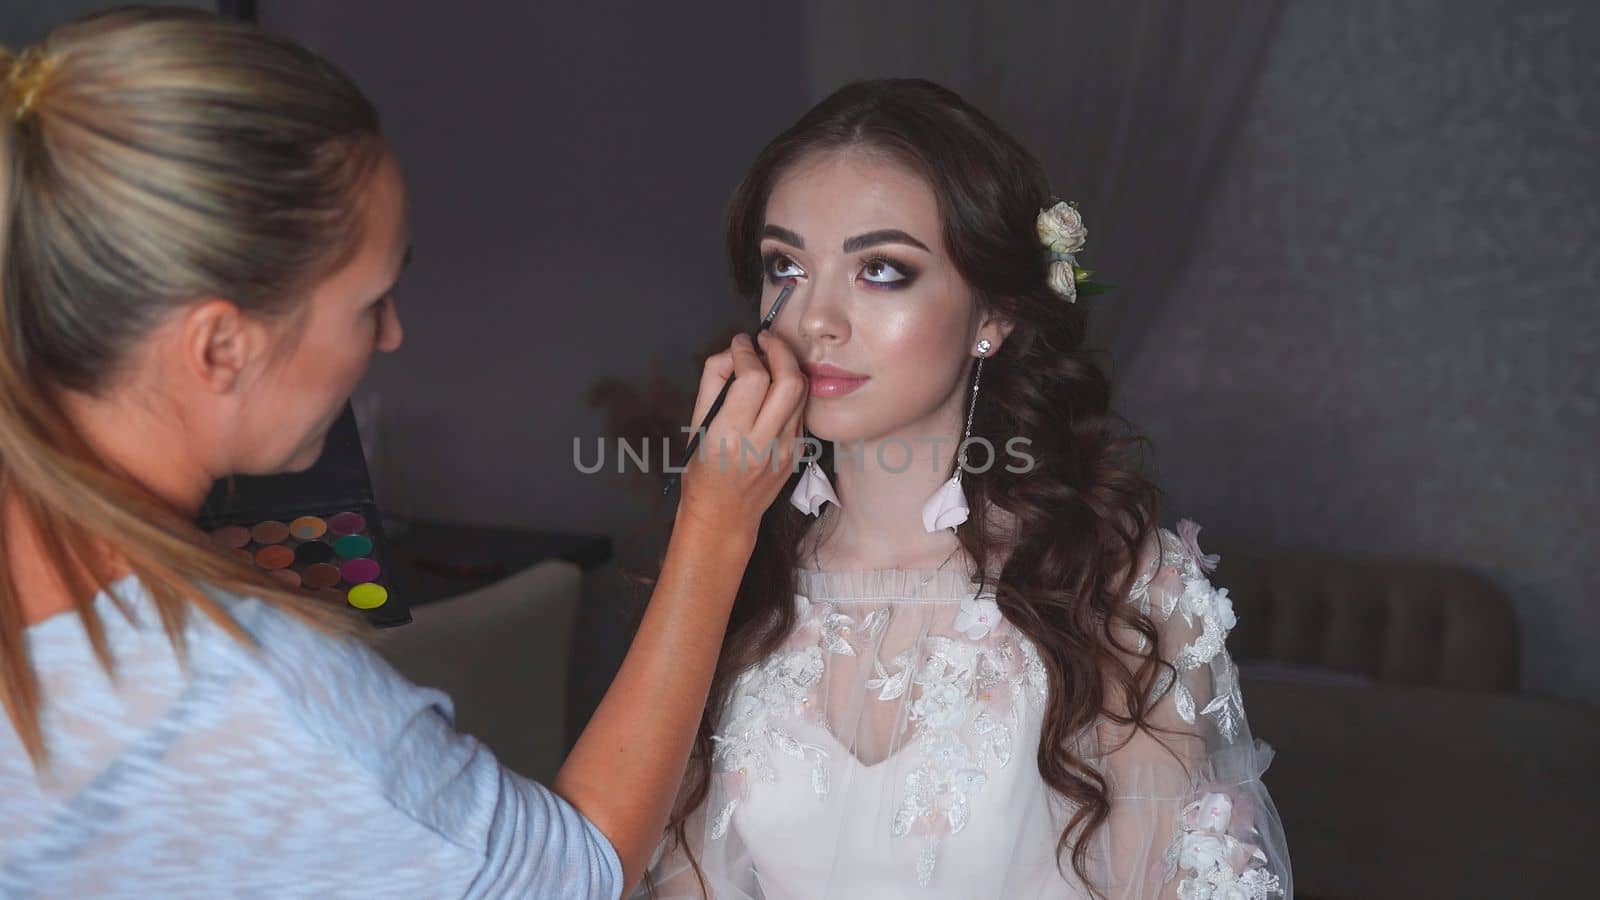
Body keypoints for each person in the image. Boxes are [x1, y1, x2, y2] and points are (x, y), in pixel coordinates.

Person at [0, 8, 804, 897]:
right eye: (368, 302)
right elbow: (579, 874)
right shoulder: (257, 695)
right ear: (220, 346)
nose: (391, 336)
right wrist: (717, 519)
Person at [641, 80, 1292, 899]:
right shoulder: (737, 568)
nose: (816, 319)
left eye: (881, 269)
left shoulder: (1117, 587)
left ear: (995, 314)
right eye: (786, 265)